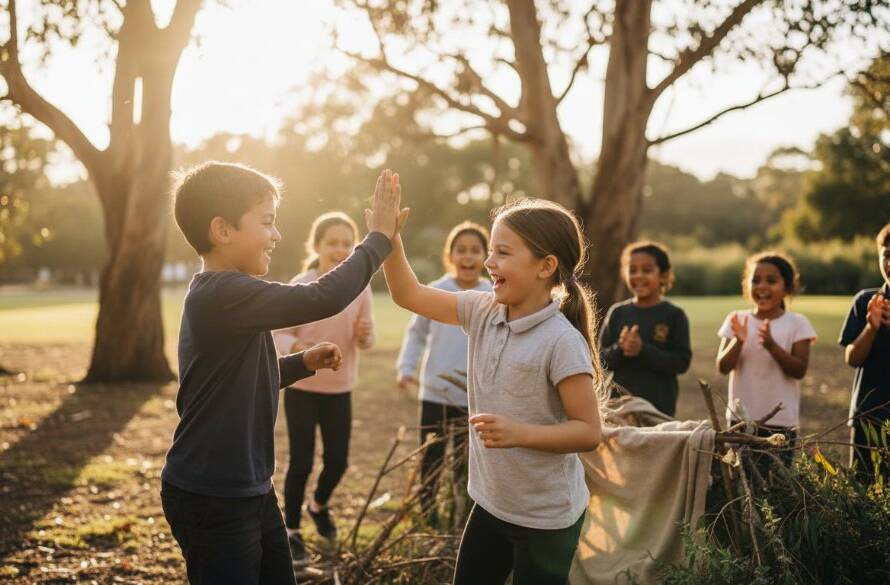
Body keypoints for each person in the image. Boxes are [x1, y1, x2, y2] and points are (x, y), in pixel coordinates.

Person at [160, 162, 400, 585]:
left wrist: (300, 363)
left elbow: (239, 376)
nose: (277, 235)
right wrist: (377, 240)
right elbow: (321, 296)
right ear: (222, 230)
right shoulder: (221, 292)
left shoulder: (229, 295)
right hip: (212, 494)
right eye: (268, 222)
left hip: (251, 487)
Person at [383, 178, 604, 585]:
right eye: (491, 252)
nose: (489, 263)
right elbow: (408, 295)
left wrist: (520, 432)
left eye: (502, 253)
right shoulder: (482, 311)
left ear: (546, 266)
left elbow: (588, 432)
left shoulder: (561, 341)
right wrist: (389, 238)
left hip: (546, 518)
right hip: (490, 503)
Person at [272, 212, 374, 560]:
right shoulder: (302, 283)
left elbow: (367, 335)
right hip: (302, 388)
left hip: (339, 388)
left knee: (338, 461)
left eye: (348, 243)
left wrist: (365, 336)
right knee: (300, 461)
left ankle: (318, 505)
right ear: (316, 246)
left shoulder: (360, 287)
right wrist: (297, 350)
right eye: (332, 242)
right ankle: (293, 531)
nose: (341, 249)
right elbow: (279, 332)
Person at [395, 221, 491, 526]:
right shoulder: (435, 291)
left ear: (486, 257)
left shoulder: (492, 294)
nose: (468, 256)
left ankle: (462, 517)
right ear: (449, 255)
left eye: (475, 250)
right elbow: (416, 333)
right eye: (461, 250)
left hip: (473, 397)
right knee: (432, 458)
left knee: (468, 463)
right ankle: (428, 515)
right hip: (436, 391)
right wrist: (407, 368)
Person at [716, 252, 816, 465]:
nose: (762, 286)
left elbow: (799, 370)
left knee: (776, 484)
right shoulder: (737, 320)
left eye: (771, 281)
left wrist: (772, 346)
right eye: (756, 280)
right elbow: (723, 367)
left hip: (781, 424)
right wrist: (739, 341)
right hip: (740, 421)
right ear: (746, 285)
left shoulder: (797, 323)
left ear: (787, 287)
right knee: (740, 481)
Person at [599, 241, 691, 416]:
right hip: (619, 407)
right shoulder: (618, 313)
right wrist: (620, 347)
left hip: (659, 408)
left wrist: (643, 350)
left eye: (647, 270)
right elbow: (601, 359)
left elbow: (681, 362)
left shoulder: (674, 315)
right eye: (632, 270)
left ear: (663, 276)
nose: (638, 276)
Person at [839, 221, 890, 482]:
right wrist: (871, 327)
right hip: (868, 415)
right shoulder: (865, 301)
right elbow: (853, 358)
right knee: (865, 489)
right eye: (887, 255)